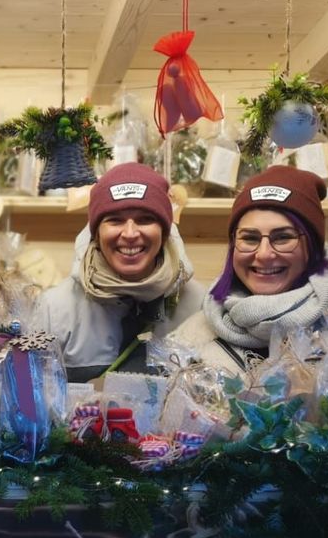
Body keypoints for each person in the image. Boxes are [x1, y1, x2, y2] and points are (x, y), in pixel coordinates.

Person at [169, 164, 328, 374]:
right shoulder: (192, 339)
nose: (264, 254)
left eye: (283, 237)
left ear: (313, 246)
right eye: (250, 238)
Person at [34, 162, 205, 382]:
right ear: (96, 233)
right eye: (115, 220)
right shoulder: (54, 310)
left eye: (145, 219)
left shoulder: (198, 305)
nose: (130, 233)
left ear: (164, 231)